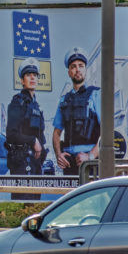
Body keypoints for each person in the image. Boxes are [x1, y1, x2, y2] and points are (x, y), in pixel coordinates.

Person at [52, 47, 100, 175]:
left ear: (85, 70)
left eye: (81, 66)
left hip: (90, 163)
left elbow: (107, 132)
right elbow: (56, 133)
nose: (77, 69)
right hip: (70, 163)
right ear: (69, 72)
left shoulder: (95, 95)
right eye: (73, 66)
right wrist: (59, 155)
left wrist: (90, 156)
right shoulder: (64, 100)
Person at [5, 57, 46, 180]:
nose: (32, 78)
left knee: (35, 199)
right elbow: (11, 135)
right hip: (22, 162)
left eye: (35, 75)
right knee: (23, 198)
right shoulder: (18, 102)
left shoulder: (35, 105)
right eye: (28, 75)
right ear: (22, 81)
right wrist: (33, 141)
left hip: (35, 163)